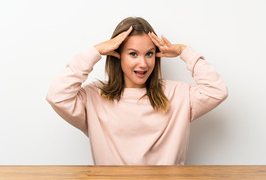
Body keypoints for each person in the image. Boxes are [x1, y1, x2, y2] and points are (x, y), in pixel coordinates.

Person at [46, 17, 228, 165]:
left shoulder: (177, 94)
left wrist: (184, 51)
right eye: (133, 54)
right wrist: (95, 52)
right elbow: (57, 96)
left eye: (149, 54)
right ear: (117, 55)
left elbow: (217, 90)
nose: (143, 63)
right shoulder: (95, 96)